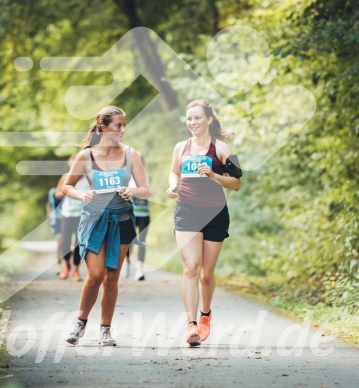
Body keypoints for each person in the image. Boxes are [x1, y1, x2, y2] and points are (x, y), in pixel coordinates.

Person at [62, 106, 149, 346]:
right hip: (94, 220)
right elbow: (65, 187)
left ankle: (105, 330)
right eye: (118, 125)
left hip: (122, 220)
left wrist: (132, 190)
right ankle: (79, 323)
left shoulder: (132, 155)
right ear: (104, 128)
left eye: (123, 125)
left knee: (112, 278)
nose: (122, 129)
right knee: (96, 274)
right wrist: (83, 196)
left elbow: (145, 189)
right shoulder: (86, 156)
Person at [166, 100, 241, 347]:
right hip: (186, 210)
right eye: (189, 119)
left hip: (215, 213)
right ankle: (190, 325)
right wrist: (172, 184)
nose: (193, 123)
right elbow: (174, 171)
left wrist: (213, 175)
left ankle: (205, 315)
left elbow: (237, 183)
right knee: (190, 267)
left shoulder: (223, 149)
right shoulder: (180, 147)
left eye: (198, 118)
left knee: (206, 275)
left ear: (209, 120)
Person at [58, 156, 89, 282]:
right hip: (67, 214)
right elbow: (57, 194)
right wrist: (69, 191)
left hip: (82, 215)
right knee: (65, 242)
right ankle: (67, 266)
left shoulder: (88, 178)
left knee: (78, 244)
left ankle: (76, 270)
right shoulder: (66, 177)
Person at [124, 154, 151, 281]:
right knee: (128, 241)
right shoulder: (127, 177)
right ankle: (126, 264)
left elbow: (145, 193)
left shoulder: (147, 177)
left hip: (144, 213)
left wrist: (140, 192)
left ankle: (139, 270)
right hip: (131, 213)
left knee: (142, 241)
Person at [46, 178, 65, 274]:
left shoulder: (69, 191)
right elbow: (48, 204)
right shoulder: (52, 192)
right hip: (56, 219)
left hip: (67, 218)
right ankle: (59, 265)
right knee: (59, 242)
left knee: (66, 243)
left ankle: (67, 265)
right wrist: (49, 214)